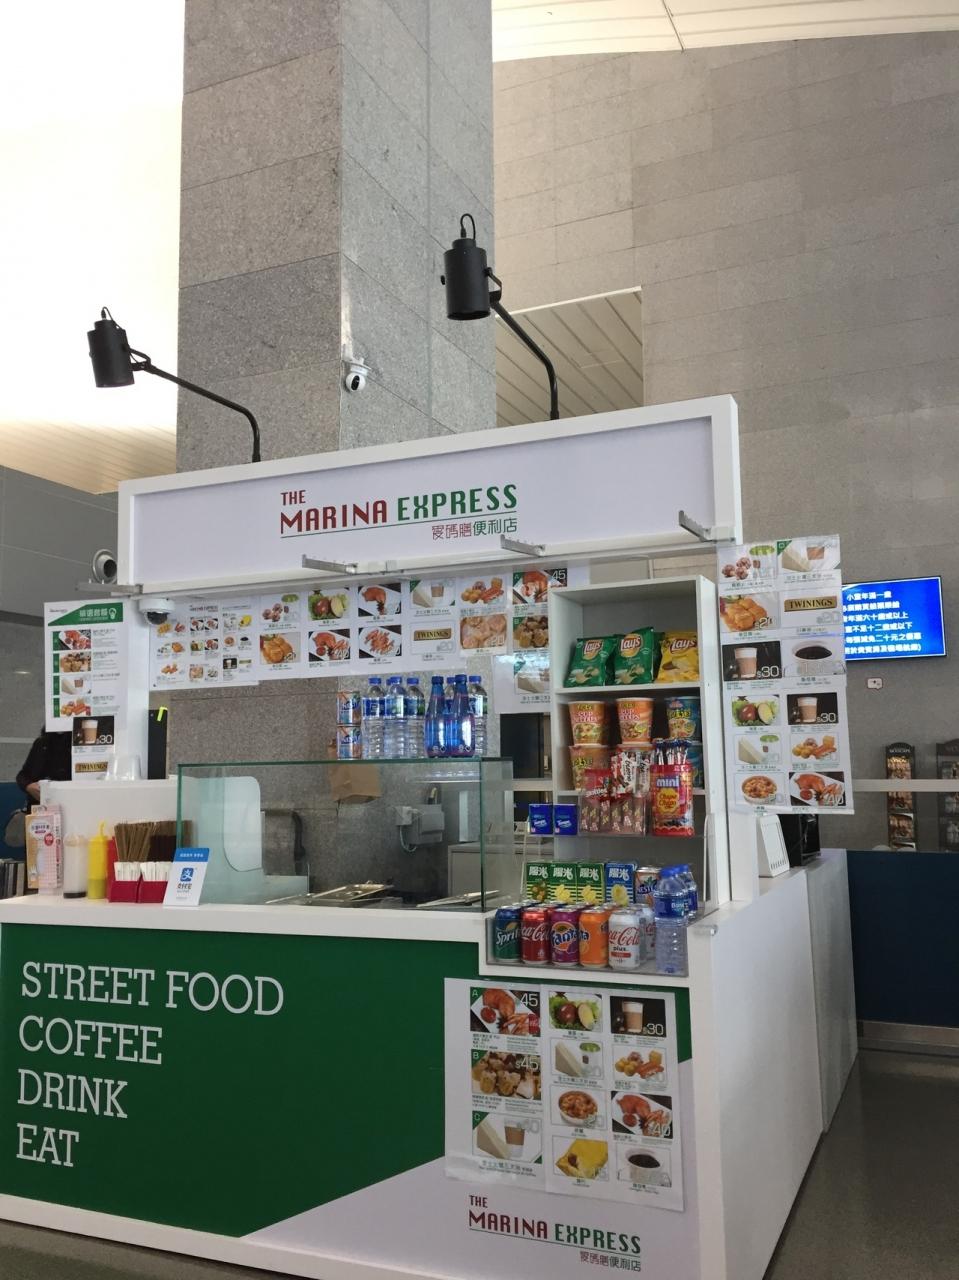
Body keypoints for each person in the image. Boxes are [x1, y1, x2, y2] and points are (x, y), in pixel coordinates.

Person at [16, 730, 71, 802]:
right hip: (40, 803)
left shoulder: (79, 745)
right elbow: (23, 774)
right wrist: (28, 786)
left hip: (70, 800)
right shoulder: (41, 743)